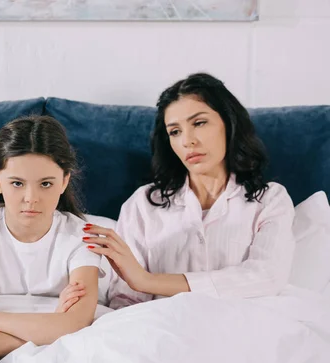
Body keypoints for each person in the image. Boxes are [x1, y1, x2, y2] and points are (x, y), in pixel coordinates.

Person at [83, 73, 295, 308]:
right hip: (162, 328)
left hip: (241, 326)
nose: (187, 141)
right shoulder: (143, 204)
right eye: (175, 131)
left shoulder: (270, 199)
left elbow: (266, 277)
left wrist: (148, 281)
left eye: (199, 123)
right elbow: (126, 297)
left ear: (229, 123)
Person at [0, 115, 104, 358]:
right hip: (11, 350)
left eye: (45, 184)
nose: (31, 198)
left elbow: (74, 325)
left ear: (64, 181)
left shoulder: (81, 237)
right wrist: (34, 344)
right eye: (17, 183)